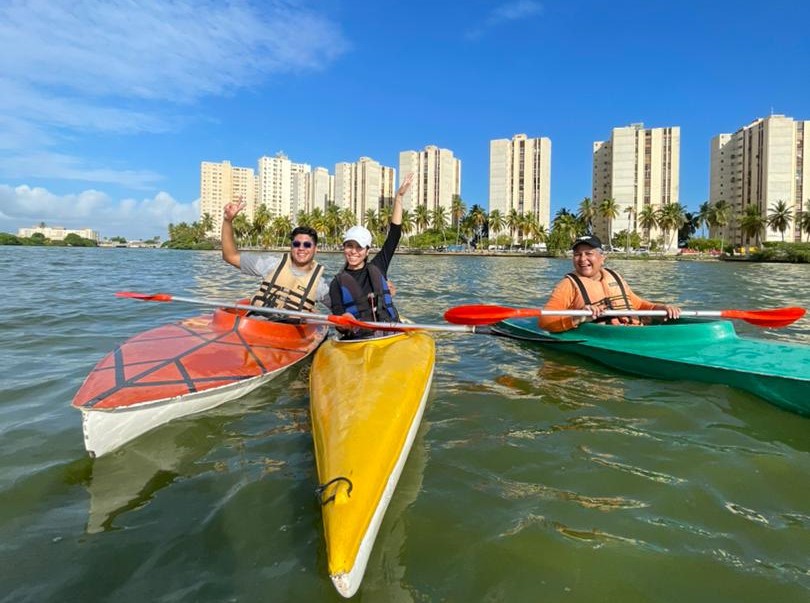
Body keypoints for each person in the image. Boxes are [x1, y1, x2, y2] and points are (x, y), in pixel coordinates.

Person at [329, 173, 414, 335]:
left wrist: (399, 197)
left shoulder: (378, 266)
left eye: (359, 247)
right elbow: (338, 316)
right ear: (344, 247)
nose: (353, 251)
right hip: (359, 339)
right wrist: (343, 322)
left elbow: (394, 235)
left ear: (367, 250)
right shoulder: (336, 283)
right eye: (349, 246)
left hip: (389, 332)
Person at [539, 234, 680, 333]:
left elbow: (639, 305)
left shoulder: (614, 276)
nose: (582, 259)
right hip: (605, 336)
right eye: (577, 254)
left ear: (602, 258)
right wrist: (579, 317)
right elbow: (545, 321)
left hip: (636, 331)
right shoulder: (567, 285)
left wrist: (661, 308)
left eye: (588, 253)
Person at [221, 199, 330, 314]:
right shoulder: (272, 265)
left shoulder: (321, 286)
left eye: (307, 245)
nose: (301, 248)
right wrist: (228, 221)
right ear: (291, 247)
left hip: (290, 329)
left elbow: (341, 310)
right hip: (258, 323)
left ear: (316, 249)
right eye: (296, 244)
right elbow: (230, 256)